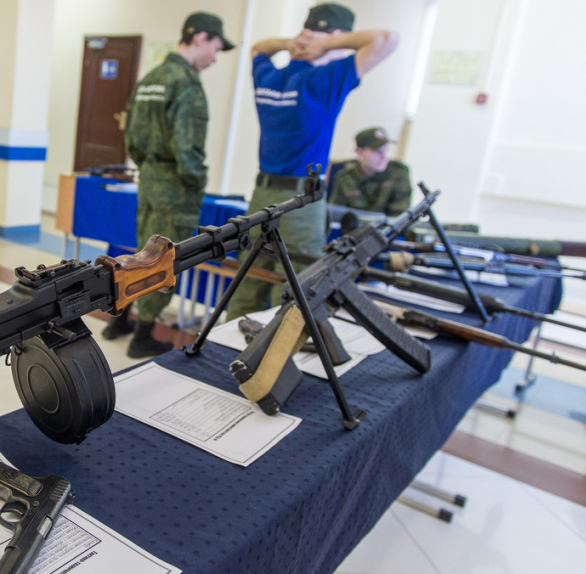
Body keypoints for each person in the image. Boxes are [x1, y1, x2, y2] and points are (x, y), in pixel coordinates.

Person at [226, 3, 398, 321]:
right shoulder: (323, 82)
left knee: (247, 287)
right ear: (337, 37)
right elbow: (387, 39)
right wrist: (328, 43)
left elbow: (258, 47)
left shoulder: (269, 76)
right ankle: (277, 364)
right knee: (298, 295)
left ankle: (224, 361)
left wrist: (292, 43)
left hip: (260, 197)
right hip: (299, 204)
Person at [102, 12, 235, 358]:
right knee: (162, 260)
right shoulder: (186, 83)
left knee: (138, 251)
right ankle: (143, 335)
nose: (214, 58)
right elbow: (187, 148)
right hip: (175, 186)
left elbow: (130, 137)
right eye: (216, 48)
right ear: (201, 38)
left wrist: (149, 166)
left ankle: (122, 319)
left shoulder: (152, 78)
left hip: (148, 178)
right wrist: (197, 181)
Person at [329, 127, 411, 216]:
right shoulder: (345, 178)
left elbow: (400, 217)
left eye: (386, 150)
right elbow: (335, 215)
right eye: (377, 151)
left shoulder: (398, 173)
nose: (384, 156)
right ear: (359, 153)